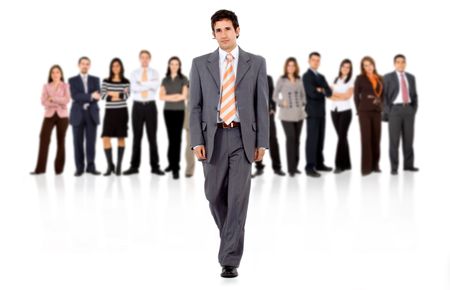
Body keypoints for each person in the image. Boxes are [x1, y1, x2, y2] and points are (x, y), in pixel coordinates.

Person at [189, 9, 269, 278]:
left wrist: (262, 142)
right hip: (212, 138)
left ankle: (229, 259)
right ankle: (230, 235)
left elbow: (262, 105)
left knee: (237, 199)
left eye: (227, 29)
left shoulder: (255, 63)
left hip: (242, 138)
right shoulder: (200, 64)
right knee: (213, 194)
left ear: (237, 30)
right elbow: (195, 105)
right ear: (213, 34)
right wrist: (196, 140)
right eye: (218, 30)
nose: (223, 34)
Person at [123, 50, 164, 176]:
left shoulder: (155, 72)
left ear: (149, 59)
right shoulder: (134, 73)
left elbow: (156, 86)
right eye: (142, 58)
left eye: (147, 57)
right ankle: (134, 166)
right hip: (137, 107)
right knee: (137, 138)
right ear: (139, 59)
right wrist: (148, 85)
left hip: (151, 106)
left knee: (152, 138)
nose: (144, 60)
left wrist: (141, 83)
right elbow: (134, 88)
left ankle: (155, 167)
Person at [31, 65, 70, 175]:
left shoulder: (65, 86)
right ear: (50, 75)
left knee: (61, 140)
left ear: (61, 74)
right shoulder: (46, 86)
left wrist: (52, 98)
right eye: (53, 72)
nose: (55, 74)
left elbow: (67, 100)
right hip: (49, 115)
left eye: (57, 72)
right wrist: (58, 101)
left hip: (63, 116)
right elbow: (43, 101)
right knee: (43, 137)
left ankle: (59, 169)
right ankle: (40, 169)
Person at [383, 54, 419, 175]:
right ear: (394, 64)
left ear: (405, 63)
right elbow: (384, 97)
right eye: (398, 62)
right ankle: (394, 168)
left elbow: (414, 95)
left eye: (403, 62)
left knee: (409, 140)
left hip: (408, 110)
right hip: (395, 111)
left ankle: (408, 166)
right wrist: (389, 111)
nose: (401, 64)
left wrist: (413, 110)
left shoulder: (411, 77)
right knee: (394, 141)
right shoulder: (387, 77)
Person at [272, 57, 306, 177]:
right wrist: (282, 102)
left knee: (297, 140)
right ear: (286, 67)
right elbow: (275, 96)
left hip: (299, 114)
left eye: (293, 65)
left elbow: (303, 94)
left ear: (296, 67)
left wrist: (302, 103)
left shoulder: (299, 79)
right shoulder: (281, 80)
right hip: (286, 115)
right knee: (290, 139)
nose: (291, 67)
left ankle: (295, 166)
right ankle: (291, 169)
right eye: (289, 65)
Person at [69, 57, 101, 177]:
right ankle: (79, 168)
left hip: (92, 114)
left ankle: (91, 167)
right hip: (77, 114)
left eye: (87, 64)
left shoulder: (95, 79)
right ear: (78, 65)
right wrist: (90, 96)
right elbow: (75, 96)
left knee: (91, 142)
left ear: (89, 66)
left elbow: (98, 95)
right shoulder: (72, 80)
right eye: (83, 64)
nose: (85, 66)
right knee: (77, 142)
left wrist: (89, 96)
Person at [302, 52, 333, 177]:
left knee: (320, 139)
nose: (316, 62)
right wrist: (321, 90)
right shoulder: (306, 76)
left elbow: (330, 92)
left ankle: (319, 163)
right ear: (309, 61)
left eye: (318, 60)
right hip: (312, 113)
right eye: (313, 60)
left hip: (321, 112)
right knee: (312, 139)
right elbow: (312, 93)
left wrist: (321, 90)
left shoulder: (321, 76)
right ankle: (310, 166)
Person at [160, 56, 189, 179]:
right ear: (169, 65)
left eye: (176, 64)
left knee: (177, 139)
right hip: (167, 111)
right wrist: (175, 96)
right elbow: (161, 97)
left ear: (179, 66)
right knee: (170, 138)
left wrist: (170, 96)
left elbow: (184, 96)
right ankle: (171, 164)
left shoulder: (183, 79)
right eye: (172, 64)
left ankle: (176, 168)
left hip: (179, 111)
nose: (174, 66)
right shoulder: (165, 80)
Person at [354, 56, 384, 176]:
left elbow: (383, 95)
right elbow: (356, 96)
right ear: (363, 67)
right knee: (366, 138)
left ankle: (375, 165)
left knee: (376, 138)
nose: (368, 67)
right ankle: (366, 168)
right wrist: (359, 109)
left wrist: (380, 104)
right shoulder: (360, 78)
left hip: (377, 111)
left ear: (374, 64)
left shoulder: (380, 78)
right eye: (365, 65)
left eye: (370, 64)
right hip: (364, 112)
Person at [100, 58, 130, 176]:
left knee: (121, 137)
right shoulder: (106, 81)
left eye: (117, 66)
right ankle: (110, 165)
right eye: (113, 66)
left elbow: (126, 96)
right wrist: (118, 94)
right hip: (109, 113)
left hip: (122, 112)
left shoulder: (126, 81)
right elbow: (103, 96)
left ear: (121, 67)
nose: (115, 68)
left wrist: (112, 94)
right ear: (111, 68)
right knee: (105, 138)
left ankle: (118, 166)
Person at [252, 75, 285, 177]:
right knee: (254, 141)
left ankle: (277, 167)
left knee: (272, 140)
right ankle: (259, 166)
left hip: (267, 114)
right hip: (252, 115)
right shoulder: (248, 76)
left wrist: (273, 109)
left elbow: (273, 94)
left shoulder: (268, 78)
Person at [329, 59, 354, 173]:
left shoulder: (351, 81)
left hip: (345, 111)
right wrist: (337, 95)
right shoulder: (335, 79)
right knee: (342, 137)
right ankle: (347, 164)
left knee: (341, 137)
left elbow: (347, 96)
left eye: (348, 67)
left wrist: (335, 94)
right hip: (334, 111)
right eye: (344, 66)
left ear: (350, 69)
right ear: (340, 67)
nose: (345, 68)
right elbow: (328, 95)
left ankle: (339, 165)